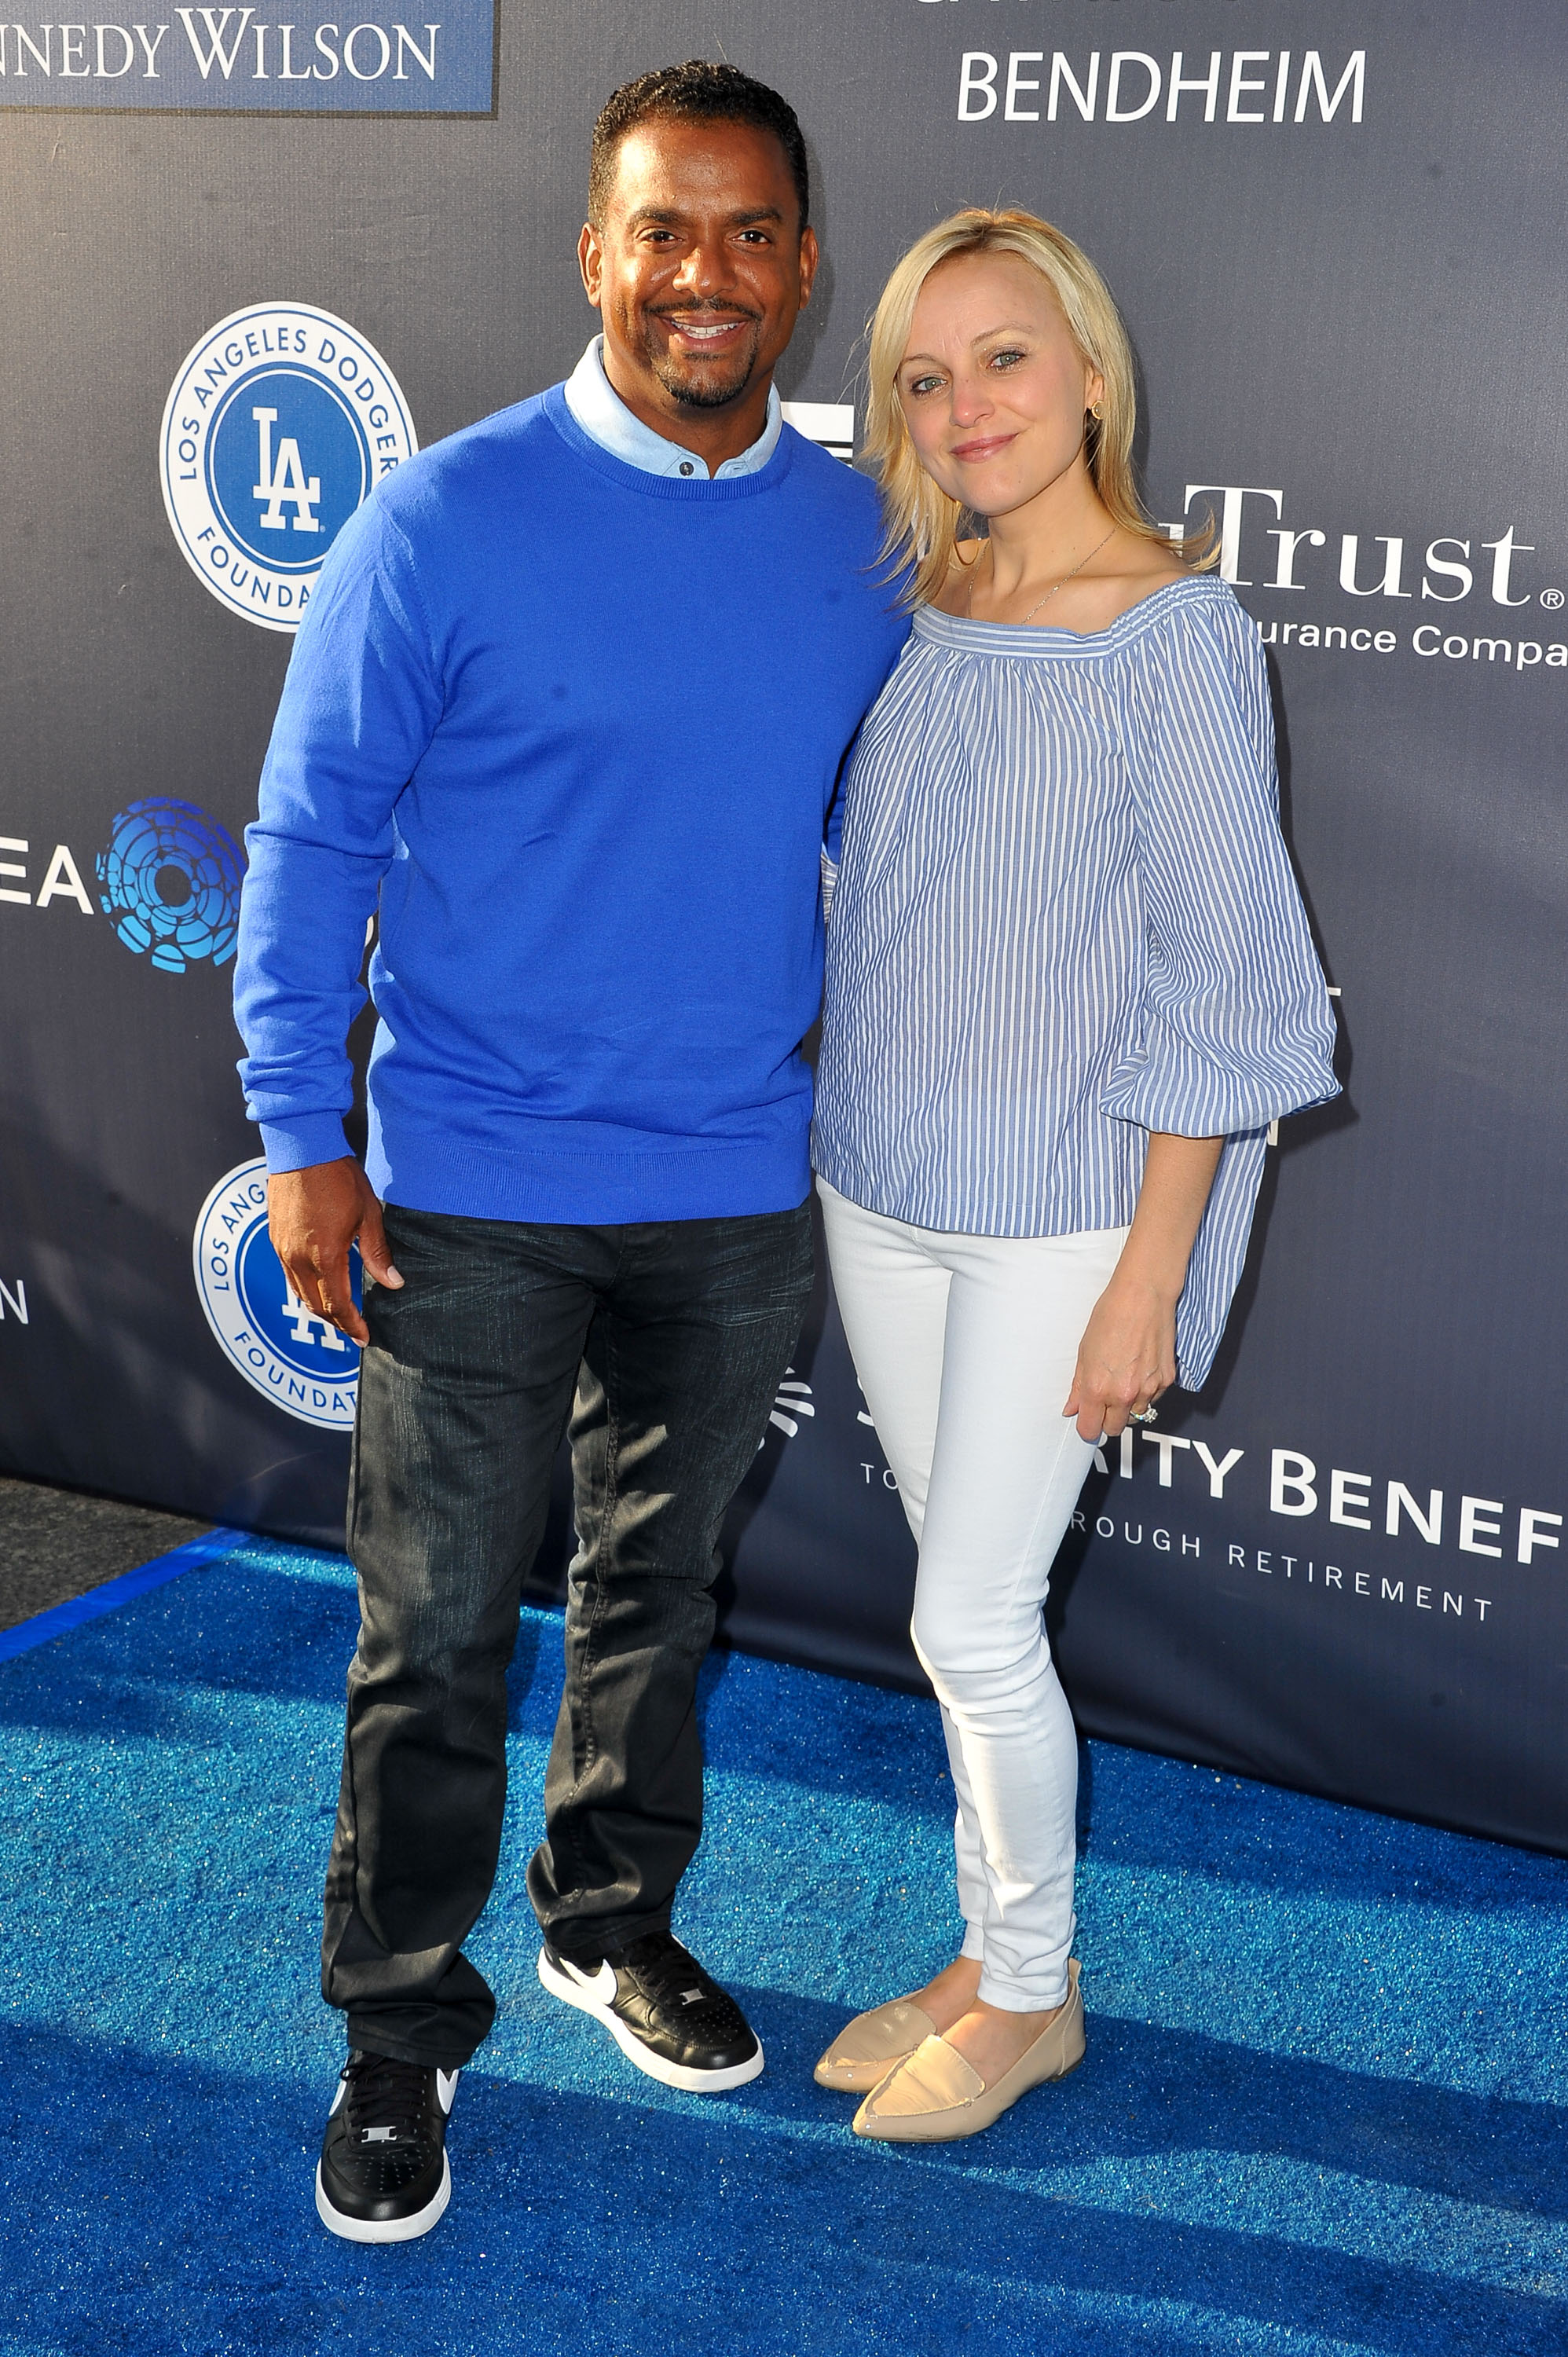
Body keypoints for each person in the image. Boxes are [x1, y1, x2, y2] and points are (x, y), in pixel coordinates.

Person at [233, 62, 907, 2242]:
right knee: (432, 1633)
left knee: (657, 1595)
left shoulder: (858, 530)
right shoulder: (441, 518)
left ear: (801, 267)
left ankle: (606, 1918)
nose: (700, 276)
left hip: (730, 1177)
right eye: (659, 230)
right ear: (591, 252)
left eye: (744, 235)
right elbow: (311, 831)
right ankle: (394, 2027)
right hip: (472, 1181)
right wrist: (299, 1135)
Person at [809, 209, 1340, 2143]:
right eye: (923, 378)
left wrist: (1146, 1276)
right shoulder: (912, 606)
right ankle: (987, 1950)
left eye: (1004, 359)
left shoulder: (1173, 639)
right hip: (875, 1187)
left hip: (1063, 1218)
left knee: (964, 1622)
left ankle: (1027, 1996)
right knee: (976, 1614)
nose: (965, 409)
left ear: (1092, 374)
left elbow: (1228, 988)